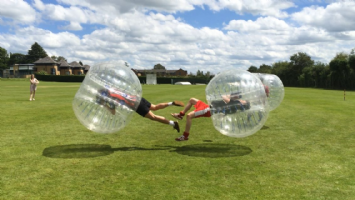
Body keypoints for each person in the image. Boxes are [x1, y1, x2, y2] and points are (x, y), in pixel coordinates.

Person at [96, 87, 184, 133]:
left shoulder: (111, 100)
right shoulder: (113, 90)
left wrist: (104, 105)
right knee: (155, 107)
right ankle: (171, 103)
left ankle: (173, 123)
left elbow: (113, 112)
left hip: (136, 105)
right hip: (138, 98)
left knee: (153, 117)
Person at [171, 93, 250, 141]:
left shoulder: (235, 104)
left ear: (243, 104)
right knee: (192, 100)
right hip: (207, 106)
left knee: (189, 116)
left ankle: (185, 136)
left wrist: (234, 96)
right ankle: (180, 115)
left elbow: (224, 97)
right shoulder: (235, 105)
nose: (242, 100)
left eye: (244, 101)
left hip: (208, 109)